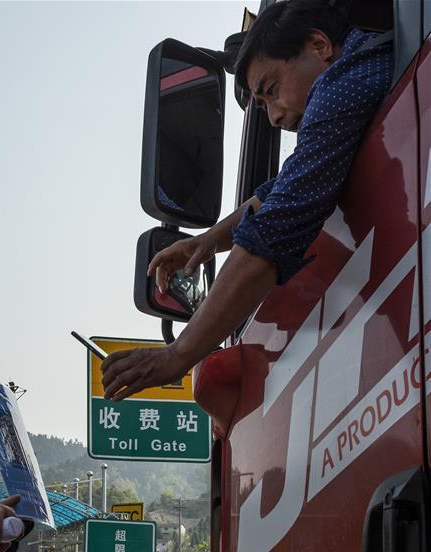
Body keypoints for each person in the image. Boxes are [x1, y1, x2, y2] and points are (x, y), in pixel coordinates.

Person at [102, 0, 394, 401]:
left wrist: (179, 354)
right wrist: (211, 240)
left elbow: (273, 232)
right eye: (262, 105)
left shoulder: (341, 86)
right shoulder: (368, 68)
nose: (274, 116)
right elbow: (281, 187)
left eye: (271, 91)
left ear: (319, 46)